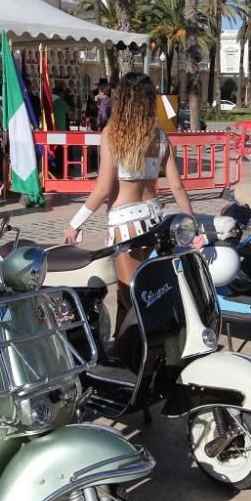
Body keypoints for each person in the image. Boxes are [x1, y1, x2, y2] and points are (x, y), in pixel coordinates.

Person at [63, 72, 197, 336]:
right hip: (156, 220)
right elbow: (178, 186)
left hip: (126, 226)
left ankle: (142, 361)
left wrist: (74, 224)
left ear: (122, 99)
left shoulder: (112, 134)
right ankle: (119, 348)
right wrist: (192, 226)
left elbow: (102, 189)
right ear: (149, 101)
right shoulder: (159, 135)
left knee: (135, 299)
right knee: (139, 292)